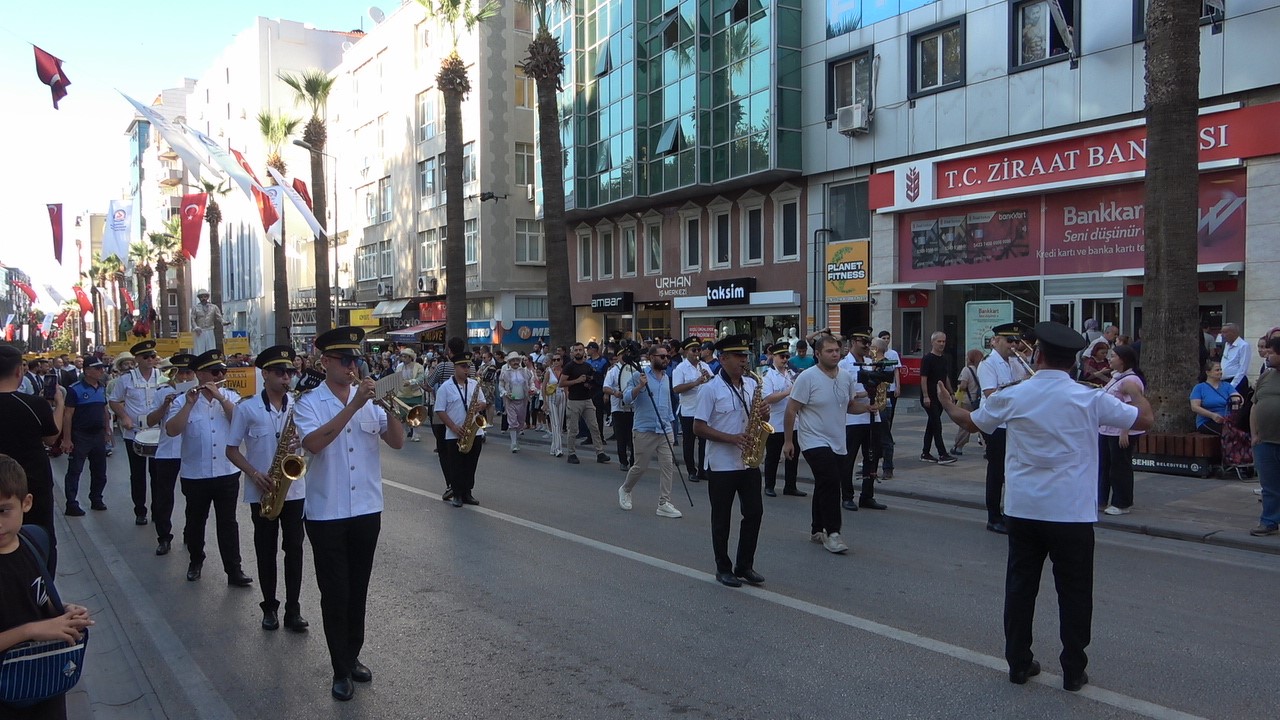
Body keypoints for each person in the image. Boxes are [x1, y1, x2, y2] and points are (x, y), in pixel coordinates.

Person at [937, 321, 1153, 693]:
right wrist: (1135, 389)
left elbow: (970, 423)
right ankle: (1072, 669)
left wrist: (947, 403)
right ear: (1072, 363)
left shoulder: (1014, 396)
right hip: (1071, 513)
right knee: (1075, 592)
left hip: (1024, 509)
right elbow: (1145, 420)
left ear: (1038, 355)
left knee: (1021, 588)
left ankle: (1019, 663)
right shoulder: (1089, 397)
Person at [294, 326, 404, 701]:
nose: (351, 366)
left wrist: (389, 408)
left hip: (366, 509)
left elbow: (398, 442)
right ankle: (339, 668)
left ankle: (353, 654)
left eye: (355, 359)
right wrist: (355, 405)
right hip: (327, 512)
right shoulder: (309, 403)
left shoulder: (371, 402)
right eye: (344, 360)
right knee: (334, 593)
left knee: (358, 590)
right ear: (325, 362)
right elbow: (313, 444)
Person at [0, 455, 94, 720]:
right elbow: (34, 625)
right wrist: (32, 630)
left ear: (26, 503)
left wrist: (63, 612)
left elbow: (38, 598)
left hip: (45, 681)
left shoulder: (32, 541)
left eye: (4, 510)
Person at [225, 346, 311, 633]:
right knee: (266, 551)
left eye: (289, 372)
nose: (286, 377)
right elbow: (231, 449)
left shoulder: (299, 407)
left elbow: (313, 444)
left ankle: (293, 609)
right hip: (262, 489)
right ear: (265, 375)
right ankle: (269, 607)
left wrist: (303, 445)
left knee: (295, 550)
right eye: (280, 372)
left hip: (294, 490)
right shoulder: (246, 408)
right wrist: (253, 473)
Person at [783, 334, 877, 555]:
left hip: (837, 439)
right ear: (817, 354)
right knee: (832, 481)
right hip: (812, 439)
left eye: (837, 350)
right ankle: (833, 533)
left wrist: (866, 408)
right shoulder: (807, 378)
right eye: (829, 351)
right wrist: (788, 441)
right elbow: (791, 409)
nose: (835, 354)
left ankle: (817, 529)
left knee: (824, 483)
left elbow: (849, 405)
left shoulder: (845, 377)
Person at [164, 350, 251, 586]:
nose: (221, 375)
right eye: (215, 372)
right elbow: (172, 430)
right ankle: (196, 561)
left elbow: (242, 424)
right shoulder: (183, 399)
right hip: (195, 474)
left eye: (223, 371)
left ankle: (234, 570)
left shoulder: (230, 397)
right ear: (200, 374)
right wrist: (189, 406)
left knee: (228, 523)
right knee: (195, 521)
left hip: (226, 472)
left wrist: (222, 399)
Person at [694, 335, 765, 588]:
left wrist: (763, 413)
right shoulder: (710, 389)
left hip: (748, 462)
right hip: (722, 464)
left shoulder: (750, 384)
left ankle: (744, 565)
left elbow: (754, 414)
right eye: (738, 356)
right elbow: (698, 428)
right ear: (723, 359)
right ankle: (723, 568)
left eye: (745, 356)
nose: (744, 360)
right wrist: (731, 438)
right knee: (722, 518)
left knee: (754, 513)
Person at [0, 346, 62, 572]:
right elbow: (51, 437)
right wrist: (59, 403)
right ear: (19, 371)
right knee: (40, 537)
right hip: (32, 483)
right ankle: (41, 591)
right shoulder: (34, 404)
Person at [618, 344, 681, 519]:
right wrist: (639, 386)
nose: (665, 359)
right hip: (644, 428)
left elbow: (668, 403)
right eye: (662, 356)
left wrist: (672, 425)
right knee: (640, 466)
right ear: (652, 357)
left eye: (667, 356)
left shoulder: (666, 377)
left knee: (668, 466)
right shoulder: (640, 375)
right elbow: (627, 398)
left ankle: (664, 502)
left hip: (664, 428)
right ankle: (625, 489)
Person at [108, 339, 163, 525]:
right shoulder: (126, 379)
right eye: (146, 356)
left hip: (157, 432)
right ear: (137, 359)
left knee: (158, 474)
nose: (150, 359)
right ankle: (140, 510)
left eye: (153, 356)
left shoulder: (162, 376)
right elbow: (114, 401)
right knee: (137, 474)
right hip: (135, 433)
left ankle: (158, 510)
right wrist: (124, 417)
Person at [145, 354, 196, 556]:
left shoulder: (198, 393)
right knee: (163, 497)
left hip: (190, 451)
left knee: (193, 497)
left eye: (188, 372)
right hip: (167, 451)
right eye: (180, 372)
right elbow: (150, 420)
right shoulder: (162, 392)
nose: (184, 377)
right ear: (173, 373)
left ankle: (190, 533)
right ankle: (164, 537)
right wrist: (165, 405)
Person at [978, 323, 1024, 534]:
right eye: (1009, 340)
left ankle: (1009, 513)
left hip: (1012, 421)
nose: (1014, 345)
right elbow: (991, 395)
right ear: (996, 341)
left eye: (1016, 341)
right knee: (996, 470)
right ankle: (993, 517)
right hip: (995, 423)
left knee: (1012, 470)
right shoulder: (988, 364)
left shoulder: (1016, 363)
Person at [838, 328, 886, 511]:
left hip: (872, 416)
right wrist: (865, 393)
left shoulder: (869, 362)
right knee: (848, 458)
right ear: (853, 342)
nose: (867, 346)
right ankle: (847, 496)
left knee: (871, 457)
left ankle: (867, 495)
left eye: (868, 342)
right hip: (853, 419)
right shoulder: (844, 365)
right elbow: (843, 394)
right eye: (863, 342)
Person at [1098, 345, 1146, 516]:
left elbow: (1132, 405)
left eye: (1113, 356)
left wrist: (1125, 431)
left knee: (1120, 467)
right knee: (1105, 466)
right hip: (1106, 429)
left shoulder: (1131, 381)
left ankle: (1122, 502)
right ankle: (1101, 499)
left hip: (1120, 431)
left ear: (1123, 360)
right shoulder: (1116, 377)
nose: (1110, 359)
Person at [60, 356, 111, 516]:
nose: (101, 371)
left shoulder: (102, 387)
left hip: (97, 435)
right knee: (75, 470)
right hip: (80, 435)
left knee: (100, 471)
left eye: (102, 368)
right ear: (87, 370)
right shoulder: (75, 389)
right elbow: (68, 415)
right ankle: (71, 503)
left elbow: (104, 410)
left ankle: (96, 498)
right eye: (97, 368)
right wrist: (67, 439)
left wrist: (107, 430)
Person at [436, 351, 487, 508]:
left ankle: (467, 493)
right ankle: (457, 494)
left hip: (474, 432)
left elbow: (484, 402)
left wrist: (480, 405)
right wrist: (453, 426)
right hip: (454, 433)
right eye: (463, 367)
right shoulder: (445, 387)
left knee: (471, 464)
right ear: (455, 367)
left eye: (468, 367)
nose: (467, 370)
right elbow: (439, 410)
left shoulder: (474, 384)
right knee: (456, 465)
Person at [761, 342, 804, 498]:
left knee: (793, 455)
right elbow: (768, 398)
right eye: (782, 357)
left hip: (793, 422)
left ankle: (790, 486)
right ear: (773, 357)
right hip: (775, 422)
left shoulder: (790, 373)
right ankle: (769, 486)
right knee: (772, 456)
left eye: (787, 356)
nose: (785, 359)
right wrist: (788, 392)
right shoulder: (768, 376)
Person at [1249, 336, 1280, 537]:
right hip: (1265, 441)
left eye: (1271, 352)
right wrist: (1254, 435)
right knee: (1269, 485)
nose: (1266, 355)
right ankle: (1269, 521)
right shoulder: (1265, 376)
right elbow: (1255, 405)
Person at [560, 342, 609, 465]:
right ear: (573, 352)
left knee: (594, 427)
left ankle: (600, 453)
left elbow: (593, 380)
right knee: (573, 429)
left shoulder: (588, 366)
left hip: (587, 399)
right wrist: (577, 381)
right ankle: (571, 453)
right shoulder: (569, 367)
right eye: (576, 350)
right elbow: (561, 383)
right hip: (574, 401)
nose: (578, 352)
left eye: (580, 350)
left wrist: (589, 384)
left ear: (584, 352)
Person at [672, 337, 712, 480]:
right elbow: (676, 389)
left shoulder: (704, 366)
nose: (697, 353)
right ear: (686, 352)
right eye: (693, 350)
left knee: (704, 442)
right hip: (688, 410)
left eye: (699, 350)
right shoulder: (680, 369)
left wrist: (709, 379)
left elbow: (714, 384)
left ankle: (703, 469)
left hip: (703, 410)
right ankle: (691, 471)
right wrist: (695, 383)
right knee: (689, 442)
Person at [919, 332, 955, 464]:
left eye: (943, 341)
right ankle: (942, 454)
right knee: (937, 425)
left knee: (932, 425)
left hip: (941, 396)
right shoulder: (927, 358)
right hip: (930, 396)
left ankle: (925, 452)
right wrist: (926, 396)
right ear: (933, 342)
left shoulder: (945, 358)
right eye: (939, 341)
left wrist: (951, 392)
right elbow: (923, 378)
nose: (942, 344)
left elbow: (945, 377)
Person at [603, 351, 638, 470]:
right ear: (618, 356)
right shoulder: (613, 370)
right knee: (621, 436)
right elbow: (605, 387)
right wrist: (614, 392)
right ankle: (623, 461)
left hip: (632, 408)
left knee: (633, 436)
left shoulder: (633, 368)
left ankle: (633, 460)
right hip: (618, 408)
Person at [874, 333, 901, 479]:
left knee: (885, 437)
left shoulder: (885, 364)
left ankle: (888, 467)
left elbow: (883, 381)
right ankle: (871, 467)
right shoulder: (871, 362)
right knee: (873, 438)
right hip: (872, 405)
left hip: (883, 404)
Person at [1190, 359, 1241, 435]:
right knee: (1228, 433)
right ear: (1208, 372)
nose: (1220, 372)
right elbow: (1194, 407)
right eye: (1217, 370)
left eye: (1221, 370)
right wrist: (1212, 415)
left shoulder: (1227, 386)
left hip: (1227, 420)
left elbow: (1237, 397)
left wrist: (1236, 402)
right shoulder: (1199, 388)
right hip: (1207, 421)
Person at [498, 352, 534, 453]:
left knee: (520, 422)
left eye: (517, 360)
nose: (515, 362)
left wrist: (532, 389)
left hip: (523, 400)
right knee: (512, 421)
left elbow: (531, 382)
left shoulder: (525, 372)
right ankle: (513, 443)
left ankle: (516, 439)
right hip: (511, 400)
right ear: (509, 362)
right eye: (513, 360)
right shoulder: (505, 373)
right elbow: (500, 385)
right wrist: (505, 393)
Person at [952, 348, 985, 457]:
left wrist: (958, 388)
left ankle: (958, 446)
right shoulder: (981, 369)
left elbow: (963, 385)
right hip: (978, 401)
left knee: (965, 425)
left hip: (967, 401)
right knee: (981, 425)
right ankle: (987, 448)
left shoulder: (966, 370)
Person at [395, 348, 425, 443]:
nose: (403, 358)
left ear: (410, 357)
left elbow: (421, 378)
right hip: (402, 394)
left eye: (405, 356)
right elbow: (396, 379)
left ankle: (416, 434)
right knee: (402, 415)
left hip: (415, 394)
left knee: (416, 415)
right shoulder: (399, 367)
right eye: (402, 356)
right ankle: (407, 430)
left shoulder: (419, 367)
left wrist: (411, 382)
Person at [1218, 322, 1251, 392]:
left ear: (1233, 333)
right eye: (1222, 332)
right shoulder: (1227, 344)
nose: (1222, 335)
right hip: (1223, 380)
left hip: (1236, 381)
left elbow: (1243, 368)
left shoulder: (1243, 346)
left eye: (1225, 332)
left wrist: (1233, 385)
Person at [191, 289, 224, 355]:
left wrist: (223, 322)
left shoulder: (214, 307)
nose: (203, 298)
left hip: (210, 329)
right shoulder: (195, 307)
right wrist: (195, 327)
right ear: (199, 298)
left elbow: (219, 317)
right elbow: (192, 319)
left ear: (207, 297)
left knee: (211, 348)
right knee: (199, 349)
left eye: (205, 296)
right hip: (200, 331)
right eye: (201, 297)